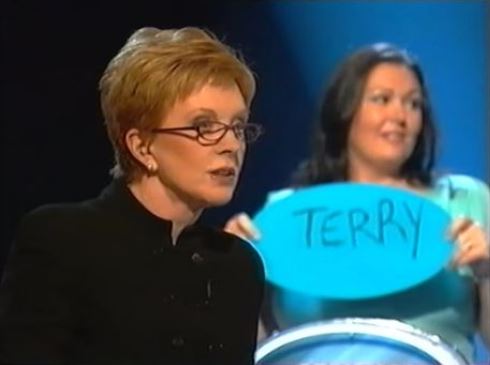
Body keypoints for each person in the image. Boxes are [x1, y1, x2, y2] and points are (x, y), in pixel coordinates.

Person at [0, 26, 265, 365]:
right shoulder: (63, 240)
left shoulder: (237, 266)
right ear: (141, 146)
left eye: (238, 127)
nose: (231, 145)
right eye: (203, 127)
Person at [225, 43, 490, 362]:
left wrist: (487, 274)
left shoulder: (464, 201)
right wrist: (236, 277)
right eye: (382, 99)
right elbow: (255, 347)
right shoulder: (286, 217)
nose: (400, 116)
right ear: (345, 110)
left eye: (414, 104)